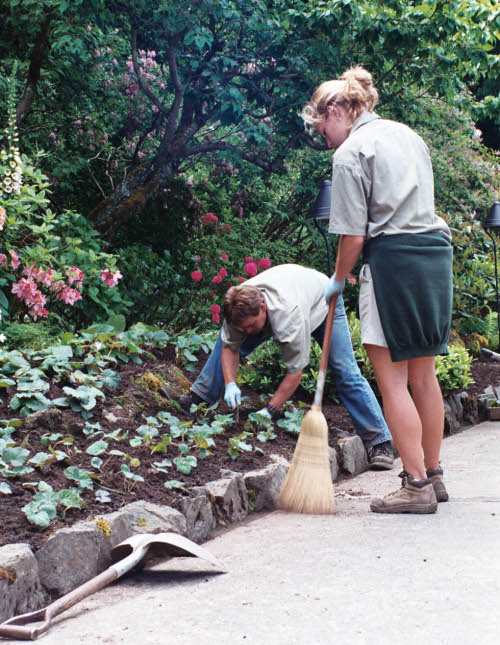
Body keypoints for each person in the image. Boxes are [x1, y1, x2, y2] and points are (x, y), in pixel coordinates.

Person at [302, 66, 453, 513]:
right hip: (433, 255)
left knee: (392, 381)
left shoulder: (351, 153)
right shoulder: (408, 135)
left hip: (393, 263)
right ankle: (435, 474)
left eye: (321, 127)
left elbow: (352, 237)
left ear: (336, 110)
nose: (323, 138)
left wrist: (336, 280)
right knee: (424, 376)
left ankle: (416, 485)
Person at [181, 263, 394, 470]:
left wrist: (269, 409)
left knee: (345, 371)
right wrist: (230, 384)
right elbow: (229, 347)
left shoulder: (288, 316)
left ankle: (379, 442)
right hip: (291, 291)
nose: (247, 331)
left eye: (250, 326)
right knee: (224, 340)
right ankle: (200, 397)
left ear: (262, 308)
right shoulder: (237, 309)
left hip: (324, 301)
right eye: (242, 327)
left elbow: (295, 372)